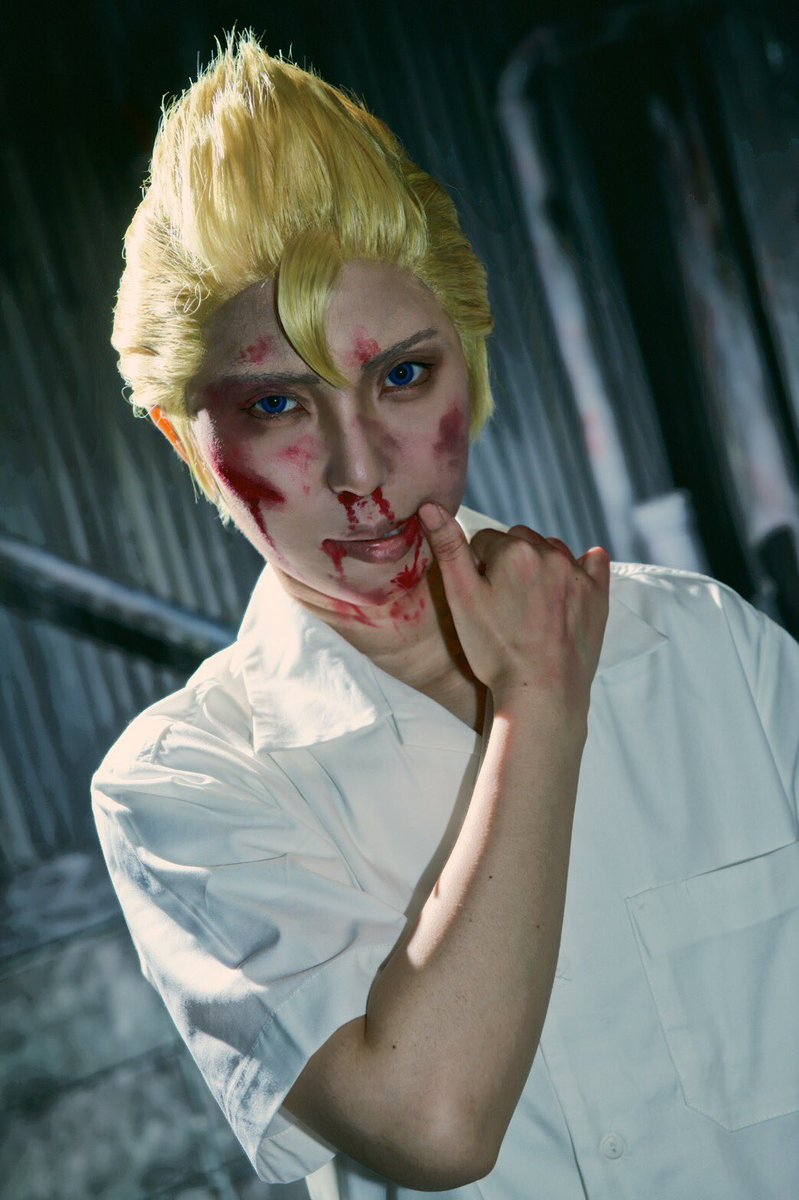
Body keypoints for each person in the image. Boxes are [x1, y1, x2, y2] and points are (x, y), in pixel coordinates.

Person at [92, 33, 799, 1200]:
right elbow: (431, 1125)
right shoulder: (185, 786)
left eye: (403, 377)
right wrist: (539, 705)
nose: (361, 470)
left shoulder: (700, 646)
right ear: (186, 440)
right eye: (277, 406)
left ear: (469, 362)